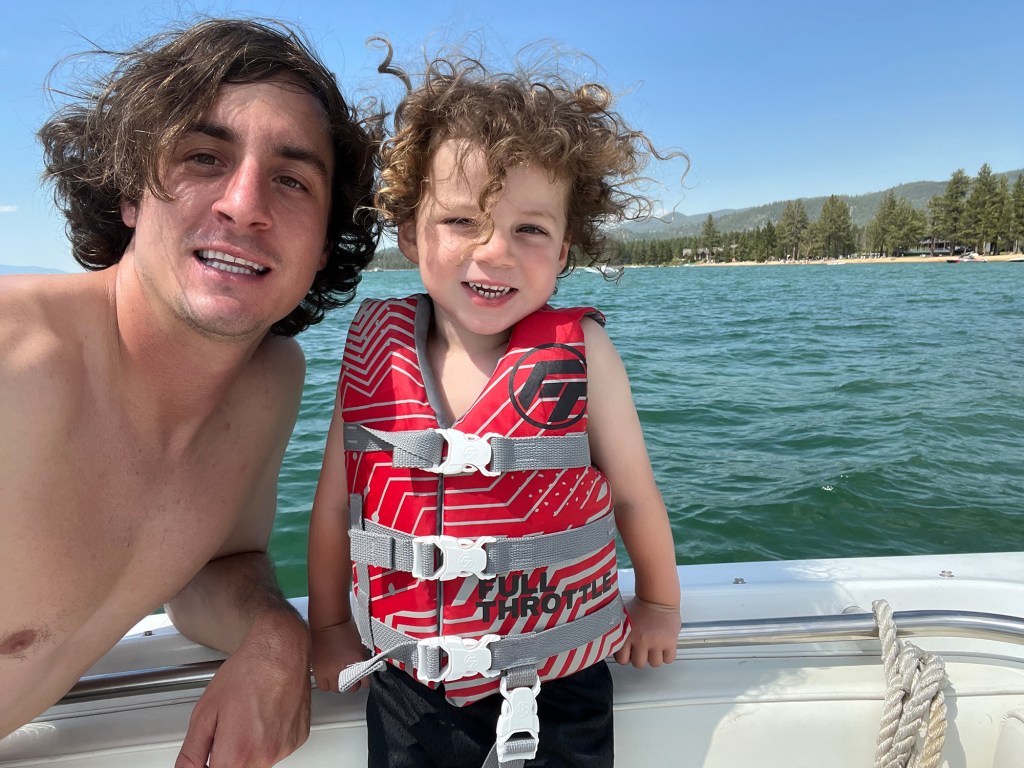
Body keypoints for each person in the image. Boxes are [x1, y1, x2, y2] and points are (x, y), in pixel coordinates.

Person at [0, 18, 379, 767]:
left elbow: (214, 565)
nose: (244, 203)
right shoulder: (16, 359)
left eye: (292, 178)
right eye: (204, 157)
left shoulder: (269, 382)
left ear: (324, 238)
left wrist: (276, 635)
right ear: (130, 194)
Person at [308, 52, 682, 768]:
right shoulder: (374, 358)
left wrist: (659, 606)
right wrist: (328, 626)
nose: (495, 252)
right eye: (460, 220)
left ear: (565, 249)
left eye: (530, 230)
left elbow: (635, 496)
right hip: (410, 687)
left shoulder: (585, 354)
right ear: (412, 235)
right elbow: (334, 508)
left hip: (561, 687)